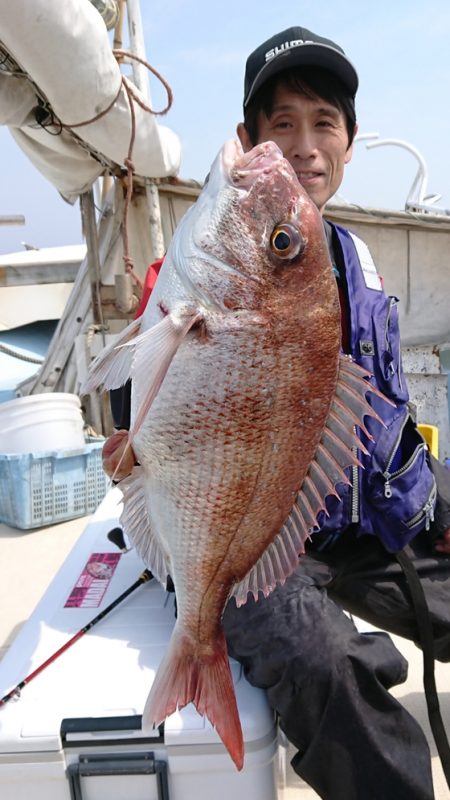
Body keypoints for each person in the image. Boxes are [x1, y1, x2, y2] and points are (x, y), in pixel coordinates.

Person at [102, 26, 450, 799]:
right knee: (323, 666)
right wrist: (135, 431)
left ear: (350, 141)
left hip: (363, 520)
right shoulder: (191, 274)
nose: (303, 145)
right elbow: (134, 401)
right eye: (280, 124)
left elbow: (380, 414)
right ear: (246, 140)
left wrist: (433, 496)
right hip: (256, 546)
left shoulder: (353, 259)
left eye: (323, 122)